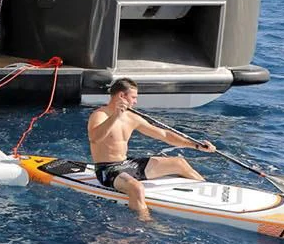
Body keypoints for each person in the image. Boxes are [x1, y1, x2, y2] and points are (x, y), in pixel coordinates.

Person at [87, 78, 216, 220]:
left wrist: (196, 145)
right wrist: (116, 116)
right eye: (133, 97)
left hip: (126, 164)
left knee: (179, 163)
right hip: (107, 169)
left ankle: (211, 192)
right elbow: (95, 138)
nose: (135, 101)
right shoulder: (99, 115)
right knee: (136, 188)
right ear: (122, 96)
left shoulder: (131, 117)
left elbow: (164, 134)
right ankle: (145, 223)